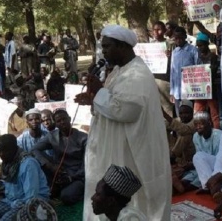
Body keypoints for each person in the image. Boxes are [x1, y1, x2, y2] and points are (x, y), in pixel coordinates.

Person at [74, 24, 171, 220]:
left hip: (129, 151)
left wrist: (99, 91)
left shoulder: (138, 75)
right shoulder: (119, 71)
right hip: (112, 145)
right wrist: (93, 98)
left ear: (123, 47)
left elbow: (125, 110)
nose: (104, 51)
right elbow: (109, 102)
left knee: (130, 199)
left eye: (108, 46)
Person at [0, 134, 49, 221]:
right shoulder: (7, 162)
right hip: (10, 201)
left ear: (14, 149)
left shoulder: (28, 164)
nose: (1, 154)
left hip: (31, 202)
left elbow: (31, 197)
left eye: (5, 151)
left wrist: (16, 205)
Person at [31, 109, 87, 205]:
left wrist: (72, 177)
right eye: (58, 121)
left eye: (64, 119)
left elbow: (87, 163)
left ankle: (79, 191)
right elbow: (34, 149)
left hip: (77, 175)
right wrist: (50, 166)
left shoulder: (83, 137)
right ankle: (57, 187)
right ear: (55, 124)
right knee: (34, 159)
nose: (62, 122)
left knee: (66, 196)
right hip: (59, 172)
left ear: (69, 119)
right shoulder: (52, 136)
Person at [162, 100, 196, 194]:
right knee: (162, 129)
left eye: (186, 113)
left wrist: (165, 114)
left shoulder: (195, 121)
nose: (183, 115)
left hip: (192, 158)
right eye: (181, 113)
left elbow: (185, 130)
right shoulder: (178, 120)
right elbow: (162, 125)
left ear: (192, 112)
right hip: (180, 158)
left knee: (184, 134)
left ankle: (171, 157)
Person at [169, 26, 199, 116]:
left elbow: (198, 68)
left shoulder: (193, 50)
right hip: (177, 91)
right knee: (180, 114)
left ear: (185, 37)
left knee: (190, 112)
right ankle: (181, 129)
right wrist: (172, 92)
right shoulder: (174, 52)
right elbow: (172, 72)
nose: (178, 40)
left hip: (190, 89)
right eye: (176, 38)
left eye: (180, 37)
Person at [194, 32, 220, 129]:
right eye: (198, 46)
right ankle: (200, 131)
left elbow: (212, 71)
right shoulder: (198, 57)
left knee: (214, 114)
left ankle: (216, 132)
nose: (199, 48)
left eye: (201, 45)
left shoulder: (212, 56)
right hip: (199, 90)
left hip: (210, 89)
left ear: (206, 44)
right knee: (197, 113)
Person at [191, 111, 222, 191]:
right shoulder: (196, 137)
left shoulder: (219, 135)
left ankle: (209, 185)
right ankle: (208, 185)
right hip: (207, 167)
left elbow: (221, 159)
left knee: (198, 156)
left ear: (209, 123)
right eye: (196, 125)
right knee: (197, 157)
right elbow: (200, 161)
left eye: (201, 124)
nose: (198, 127)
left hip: (220, 165)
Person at [151, 21, 175, 121]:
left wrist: (170, 56)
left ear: (164, 31)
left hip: (166, 80)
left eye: (159, 29)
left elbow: (176, 61)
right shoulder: (150, 45)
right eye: (154, 30)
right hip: (153, 79)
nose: (156, 32)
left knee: (167, 107)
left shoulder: (170, 44)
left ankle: (170, 130)